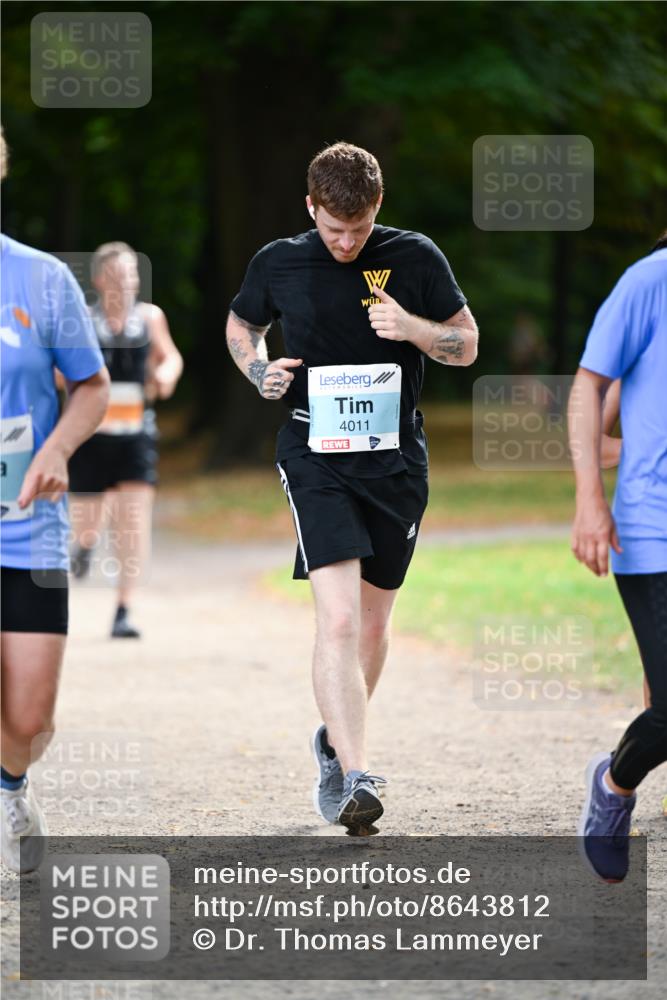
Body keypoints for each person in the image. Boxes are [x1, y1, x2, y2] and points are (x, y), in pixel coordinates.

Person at [226, 142, 478, 834]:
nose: (345, 243)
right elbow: (242, 323)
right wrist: (258, 371)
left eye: (358, 230)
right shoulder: (278, 260)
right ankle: (359, 772)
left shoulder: (415, 257)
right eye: (333, 229)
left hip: (396, 460)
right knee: (336, 618)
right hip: (313, 453)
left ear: (377, 209)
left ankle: (334, 745)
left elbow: (466, 341)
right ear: (310, 207)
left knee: (372, 623)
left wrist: (413, 328)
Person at [0, 128, 110, 873]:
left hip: (27, 524)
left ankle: (12, 784)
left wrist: (56, 447)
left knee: (29, 716)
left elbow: (94, 387)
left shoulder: (41, 280)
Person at [570, 231, 667, 881]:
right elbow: (588, 388)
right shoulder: (647, 281)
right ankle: (614, 785)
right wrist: (588, 500)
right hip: (652, 523)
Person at [67, 242, 183, 638]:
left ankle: (123, 610)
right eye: (118, 275)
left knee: (131, 522)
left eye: (132, 274)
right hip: (90, 438)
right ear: (100, 279)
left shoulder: (149, 319)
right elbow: (60, 371)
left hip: (135, 436)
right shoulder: (83, 319)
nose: (127, 282)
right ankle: (83, 545)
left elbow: (171, 356)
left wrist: (166, 374)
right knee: (88, 521)